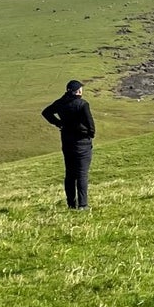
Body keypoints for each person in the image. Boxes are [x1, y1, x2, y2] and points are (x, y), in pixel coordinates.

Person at [42, 78, 95, 209]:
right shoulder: (82, 104)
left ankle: (71, 204)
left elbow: (46, 112)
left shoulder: (60, 103)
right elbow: (90, 124)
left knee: (70, 174)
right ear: (78, 91)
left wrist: (59, 123)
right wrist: (90, 134)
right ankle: (83, 205)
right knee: (82, 173)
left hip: (67, 141)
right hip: (82, 142)